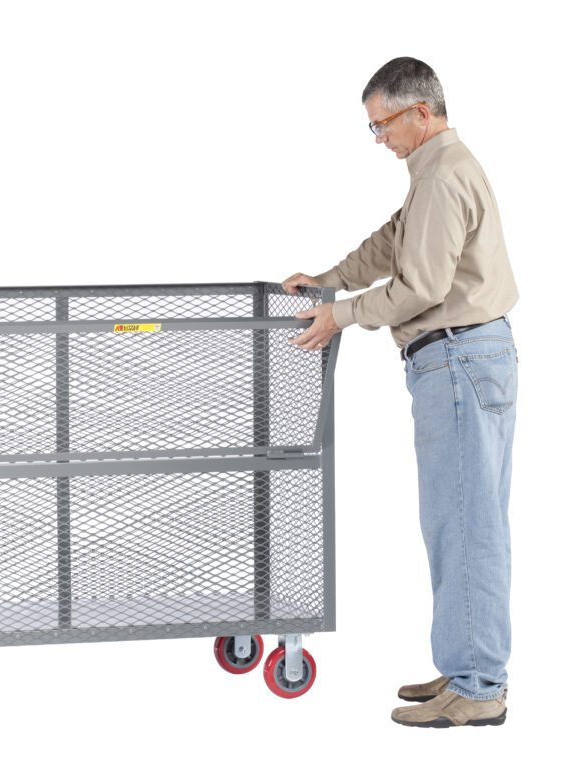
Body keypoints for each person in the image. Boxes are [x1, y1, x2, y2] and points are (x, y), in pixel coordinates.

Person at [282, 57, 518, 728]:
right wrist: (327, 280)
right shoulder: (433, 171)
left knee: (467, 525)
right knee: (460, 522)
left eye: (382, 124)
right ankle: (468, 664)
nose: (379, 138)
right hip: (465, 359)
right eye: (373, 126)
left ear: (421, 112)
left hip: (459, 359)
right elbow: (392, 244)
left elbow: (420, 288)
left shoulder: (443, 177)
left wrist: (340, 316)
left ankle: (478, 684)